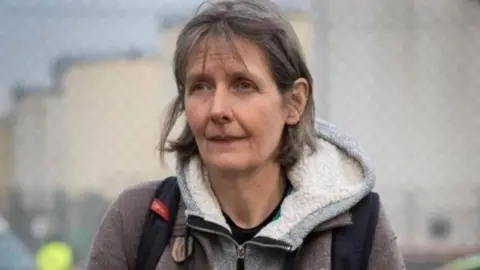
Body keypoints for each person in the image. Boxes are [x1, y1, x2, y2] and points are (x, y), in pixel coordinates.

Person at [86, 0, 406, 269]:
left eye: (243, 85)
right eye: (201, 86)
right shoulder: (138, 221)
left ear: (294, 102)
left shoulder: (359, 228)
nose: (218, 109)